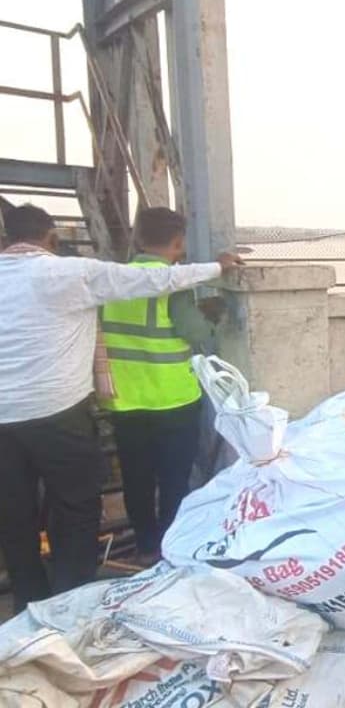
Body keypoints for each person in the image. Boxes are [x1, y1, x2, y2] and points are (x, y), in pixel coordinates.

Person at [0, 204, 239, 611]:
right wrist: (217, 273)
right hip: (95, 409)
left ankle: (31, 598)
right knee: (82, 505)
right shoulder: (77, 276)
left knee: (17, 510)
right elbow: (169, 291)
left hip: (116, 405)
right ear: (52, 238)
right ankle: (73, 599)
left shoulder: (94, 283)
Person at [100, 208, 223, 564]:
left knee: (136, 479)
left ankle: (145, 547)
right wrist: (212, 317)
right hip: (173, 402)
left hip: (124, 400)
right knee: (174, 479)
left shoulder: (111, 281)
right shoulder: (172, 285)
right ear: (179, 243)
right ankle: (170, 547)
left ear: (138, 239)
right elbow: (195, 333)